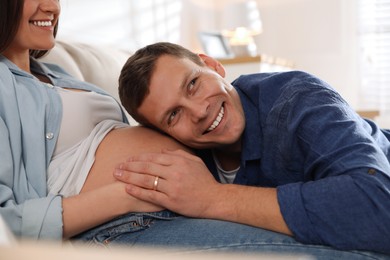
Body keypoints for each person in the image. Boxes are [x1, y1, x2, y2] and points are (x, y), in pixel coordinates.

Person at [117, 42, 390, 256]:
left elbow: (378, 208)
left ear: (212, 65)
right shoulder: (180, 160)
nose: (199, 111)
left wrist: (213, 198)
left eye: (193, 84)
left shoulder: (298, 98)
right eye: (174, 115)